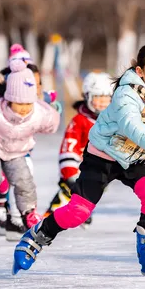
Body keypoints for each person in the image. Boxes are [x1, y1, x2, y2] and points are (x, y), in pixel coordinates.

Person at [12, 41, 145, 277]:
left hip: (135, 158)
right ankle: (36, 236)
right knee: (78, 213)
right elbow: (131, 126)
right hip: (102, 156)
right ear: (140, 72)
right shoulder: (126, 93)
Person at [0, 58, 60, 244]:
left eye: (28, 104)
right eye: (19, 103)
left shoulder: (38, 112)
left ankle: (28, 212)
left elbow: (52, 122)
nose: (24, 109)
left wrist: (55, 111)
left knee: (24, 179)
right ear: (8, 98)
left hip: (15, 150)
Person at [43, 71, 113, 228]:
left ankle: (82, 211)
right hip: (78, 168)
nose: (102, 103)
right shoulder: (79, 121)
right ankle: (49, 217)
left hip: (100, 169)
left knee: (93, 190)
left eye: (106, 98)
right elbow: (69, 146)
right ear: (88, 97)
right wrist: (69, 172)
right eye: (97, 98)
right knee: (69, 191)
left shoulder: (114, 121)